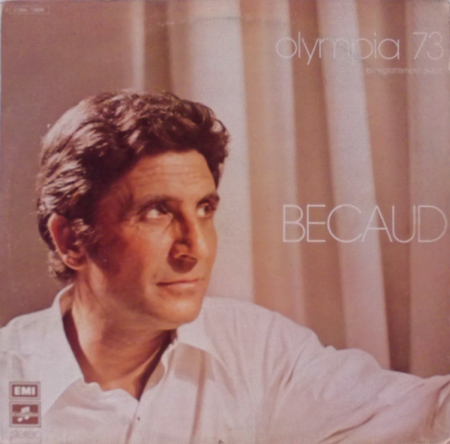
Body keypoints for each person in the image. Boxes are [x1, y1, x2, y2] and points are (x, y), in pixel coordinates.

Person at [0, 92, 449, 444]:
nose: (196, 248)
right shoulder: (9, 376)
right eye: (157, 212)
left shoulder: (256, 350)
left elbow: (426, 415)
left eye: (204, 209)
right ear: (71, 240)